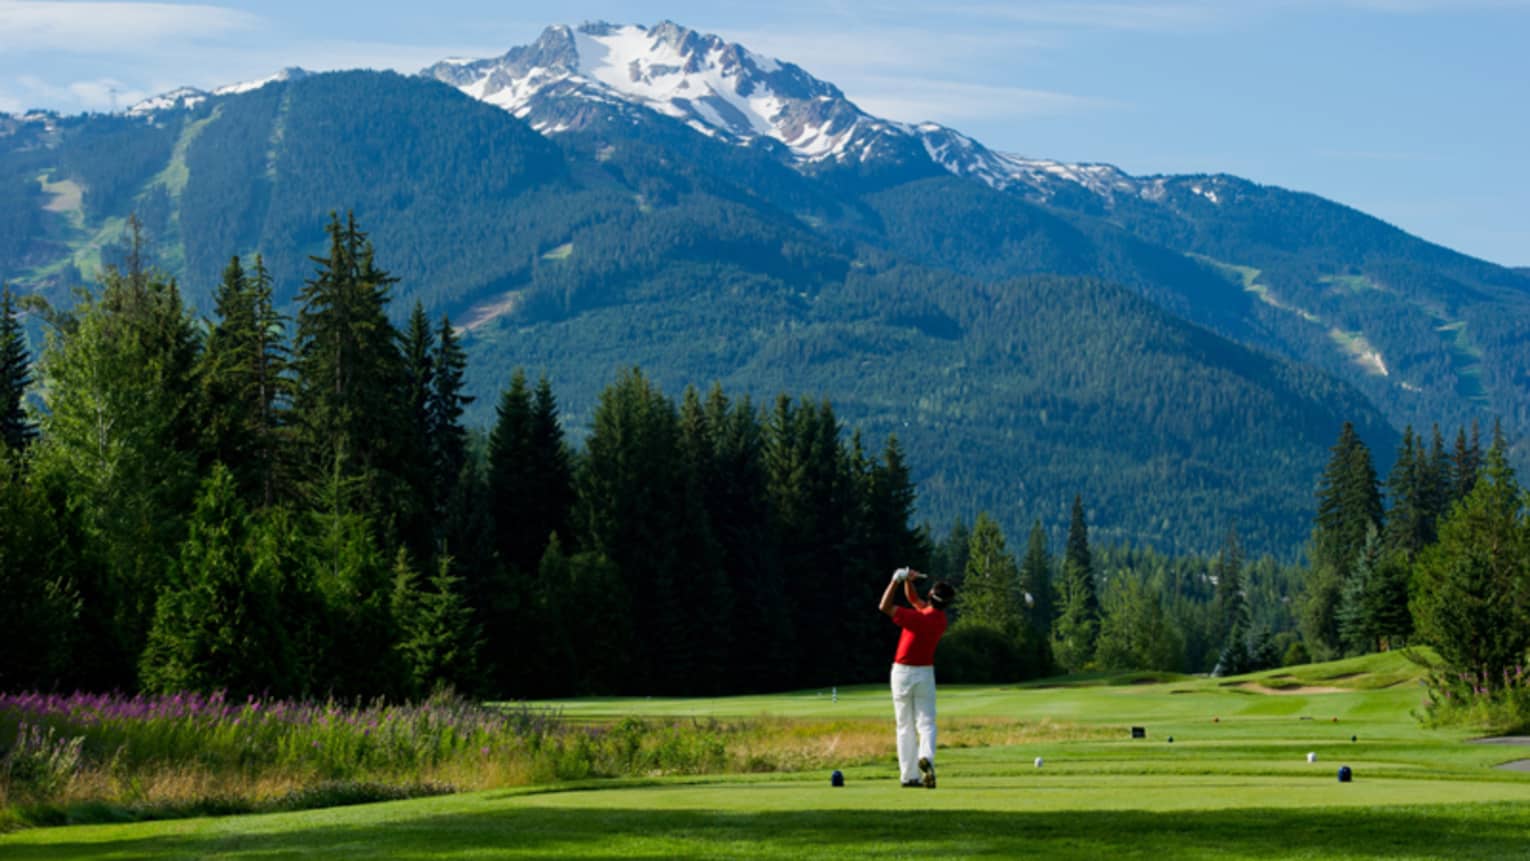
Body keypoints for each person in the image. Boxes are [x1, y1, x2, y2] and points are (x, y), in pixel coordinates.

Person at [879, 566, 954, 788]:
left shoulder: (915, 618)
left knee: (904, 726)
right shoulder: (940, 620)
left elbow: (884, 606)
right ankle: (927, 759)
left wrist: (895, 580)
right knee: (927, 723)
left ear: (931, 596)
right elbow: (914, 599)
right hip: (924, 673)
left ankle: (909, 776)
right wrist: (908, 580)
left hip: (902, 673)